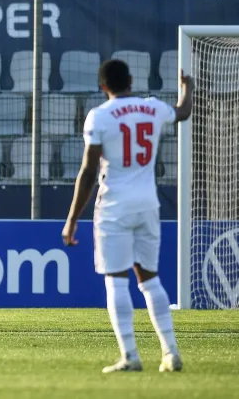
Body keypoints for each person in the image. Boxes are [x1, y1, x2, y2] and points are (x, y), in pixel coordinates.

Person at [62, 60, 194, 373]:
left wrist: (72, 218)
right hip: (148, 204)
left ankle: (131, 356)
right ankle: (170, 352)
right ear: (131, 80)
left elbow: (89, 171)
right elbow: (182, 112)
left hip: (114, 206)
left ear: (103, 86)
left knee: (116, 280)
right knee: (149, 278)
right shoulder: (152, 107)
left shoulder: (100, 115)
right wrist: (187, 88)